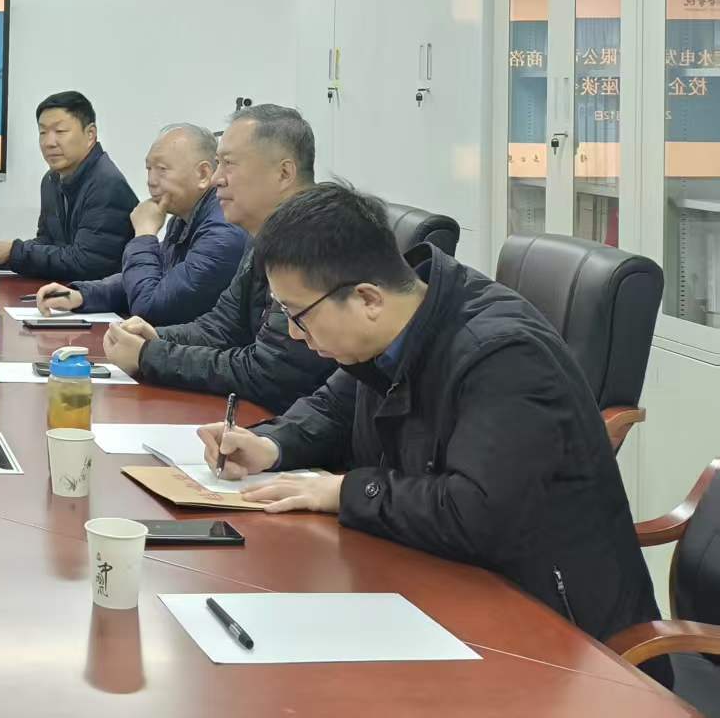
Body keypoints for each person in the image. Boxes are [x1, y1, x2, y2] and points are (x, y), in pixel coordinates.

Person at [196, 183, 667, 679]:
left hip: (559, 643)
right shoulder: (399, 324)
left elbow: (476, 513)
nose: (294, 333)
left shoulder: (502, 355)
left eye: (298, 316)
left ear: (367, 298)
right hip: (444, 589)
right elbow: (334, 407)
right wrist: (271, 445)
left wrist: (345, 490)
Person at [100, 104, 332, 413]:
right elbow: (220, 327)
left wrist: (149, 356)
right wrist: (153, 337)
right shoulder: (268, 233)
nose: (216, 179)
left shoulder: (314, 239)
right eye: (218, 164)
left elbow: (269, 372)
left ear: (284, 173)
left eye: (229, 164)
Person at [33, 123, 245, 325]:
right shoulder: (183, 219)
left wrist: (144, 234)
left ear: (203, 174)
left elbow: (150, 307)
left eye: (162, 169)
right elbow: (149, 279)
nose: (151, 181)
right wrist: (82, 295)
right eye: (149, 168)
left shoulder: (223, 232)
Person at [0, 90, 137, 283]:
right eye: (43, 132)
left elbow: (87, 263)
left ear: (90, 134)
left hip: (108, 298)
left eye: (60, 131)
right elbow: (48, 243)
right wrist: (1, 256)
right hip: (68, 291)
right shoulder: (52, 180)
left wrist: (14, 252)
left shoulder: (106, 184)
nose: (49, 143)